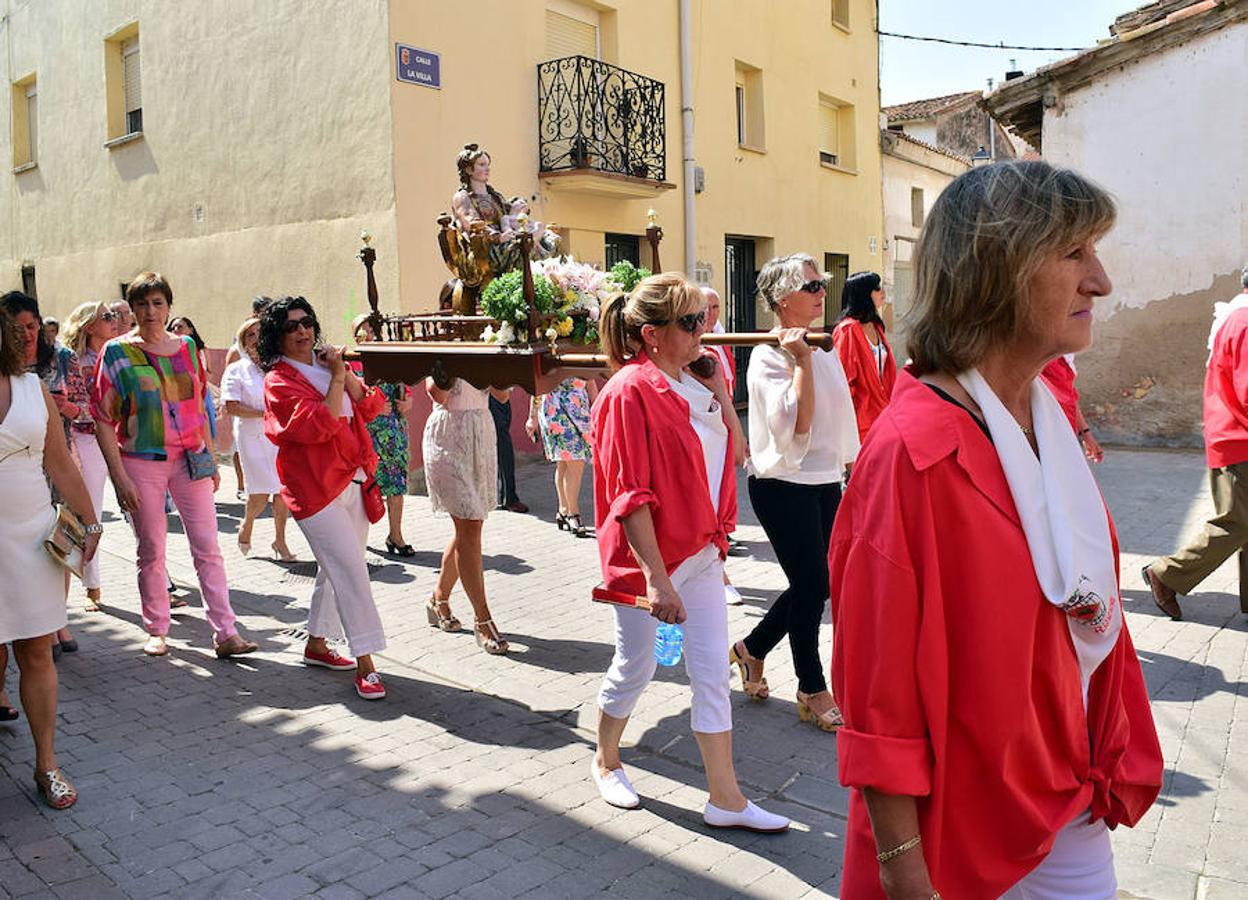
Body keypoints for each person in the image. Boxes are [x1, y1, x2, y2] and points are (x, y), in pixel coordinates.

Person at [829, 161, 1162, 898]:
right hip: (968, 847)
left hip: (1069, 803)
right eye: (1074, 253)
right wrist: (907, 879)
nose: (1100, 281)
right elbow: (879, 704)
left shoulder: (1040, 413)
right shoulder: (914, 455)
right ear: (996, 267)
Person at [589, 273, 788, 833]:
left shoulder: (692, 382)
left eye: (703, 318)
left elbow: (735, 447)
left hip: (699, 551)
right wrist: (657, 578)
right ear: (652, 334)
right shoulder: (628, 391)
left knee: (708, 673)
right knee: (638, 665)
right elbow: (629, 497)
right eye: (691, 322)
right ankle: (605, 758)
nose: (705, 329)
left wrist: (717, 388)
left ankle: (726, 799)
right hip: (650, 561)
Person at [91, 272, 258, 659]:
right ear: (131, 309)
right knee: (152, 549)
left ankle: (226, 632)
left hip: (190, 460)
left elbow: (199, 403)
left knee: (208, 548)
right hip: (141, 462)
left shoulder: (185, 347)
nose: (151, 311)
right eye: (142, 304)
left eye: (158, 303)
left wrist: (211, 459)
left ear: (168, 306)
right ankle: (158, 628)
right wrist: (118, 478)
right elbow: (102, 416)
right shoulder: (116, 353)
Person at [729, 254, 859, 732]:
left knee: (817, 583)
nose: (823, 291)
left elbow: (838, 418)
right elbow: (798, 426)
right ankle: (810, 685)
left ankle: (751, 649)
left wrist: (851, 465)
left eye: (822, 283)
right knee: (812, 586)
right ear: (784, 300)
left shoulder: (821, 347)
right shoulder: (769, 356)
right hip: (783, 483)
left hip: (823, 479)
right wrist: (800, 359)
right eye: (811, 285)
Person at [260, 297, 389, 699]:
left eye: (307, 322)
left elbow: (372, 406)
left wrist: (344, 375)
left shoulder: (327, 364)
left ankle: (317, 643)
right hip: (314, 489)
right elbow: (320, 425)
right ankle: (367, 663)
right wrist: (336, 378)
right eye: (291, 326)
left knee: (336, 568)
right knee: (351, 570)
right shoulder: (278, 381)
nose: (302, 332)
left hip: (354, 477)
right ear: (277, 336)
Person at [0, 306, 102, 809]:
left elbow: (60, 463)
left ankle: (46, 763)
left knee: (37, 651)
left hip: (31, 536)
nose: (24, 335)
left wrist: (91, 521)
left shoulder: (31, 388)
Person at [1144, 264, 1248, 621]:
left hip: (1232, 435)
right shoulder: (1246, 322)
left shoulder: (1235, 316)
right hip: (1240, 438)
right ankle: (1166, 574)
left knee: (1244, 522)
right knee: (1236, 523)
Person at [2, 292, 81, 654]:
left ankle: (57, 621)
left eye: (32, 326)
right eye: (17, 329)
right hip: (21, 476)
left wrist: (69, 409)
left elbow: (89, 410)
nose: (26, 335)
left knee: (57, 542)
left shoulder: (59, 361)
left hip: (52, 467)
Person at [423, 376, 511, 654]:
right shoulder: (439, 344)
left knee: (469, 529)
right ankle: (482, 619)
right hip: (448, 436)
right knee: (469, 527)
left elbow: (502, 395)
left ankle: (438, 599)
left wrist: (494, 365)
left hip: (481, 435)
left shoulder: (484, 344)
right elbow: (437, 393)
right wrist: (451, 366)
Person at [60, 301, 118, 610]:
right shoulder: (73, 361)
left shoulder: (119, 355)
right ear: (88, 326)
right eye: (107, 317)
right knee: (90, 514)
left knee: (140, 513)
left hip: (120, 439)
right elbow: (72, 404)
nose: (114, 321)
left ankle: (162, 582)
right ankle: (92, 584)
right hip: (88, 440)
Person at [220, 317, 293, 560]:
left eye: (260, 333)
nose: (257, 338)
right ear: (243, 342)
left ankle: (280, 541)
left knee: (282, 489)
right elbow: (231, 406)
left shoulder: (279, 366)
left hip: (278, 435)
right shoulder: (236, 370)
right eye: (250, 335)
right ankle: (248, 522)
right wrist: (265, 413)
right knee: (260, 493)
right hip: (252, 437)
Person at [352, 315, 415, 555]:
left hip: (394, 435)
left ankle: (395, 535)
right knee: (363, 487)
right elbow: (349, 400)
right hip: (366, 435)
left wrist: (406, 402)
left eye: (372, 329)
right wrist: (373, 408)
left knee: (396, 485)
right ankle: (359, 535)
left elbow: (406, 393)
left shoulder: (391, 362)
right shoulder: (353, 365)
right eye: (363, 330)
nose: (369, 334)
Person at [525, 377, 597, 537]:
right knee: (574, 463)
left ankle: (564, 510)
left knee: (564, 465)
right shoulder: (550, 353)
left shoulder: (582, 354)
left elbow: (591, 384)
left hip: (580, 414)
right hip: (555, 412)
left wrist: (598, 410)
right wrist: (532, 417)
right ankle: (573, 513)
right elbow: (538, 383)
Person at [832, 271, 897, 444]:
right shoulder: (847, 330)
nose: (882, 292)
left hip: (884, 414)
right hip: (861, 421)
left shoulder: (876, 326)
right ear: (864, 294)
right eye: (877, 288)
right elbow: (843, 380)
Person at [1040, 355, 1104, 463]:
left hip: (1060, 439)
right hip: (1043, 440)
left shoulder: (1061, 358)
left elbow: (1068, 395)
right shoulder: (1042, 355)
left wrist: (1085, 433)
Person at [489, 392, 527, 513]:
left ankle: (507, 497)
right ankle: (507, 498)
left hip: (499, 395)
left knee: (502, 445)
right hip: (485, 395)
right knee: (501, 445)